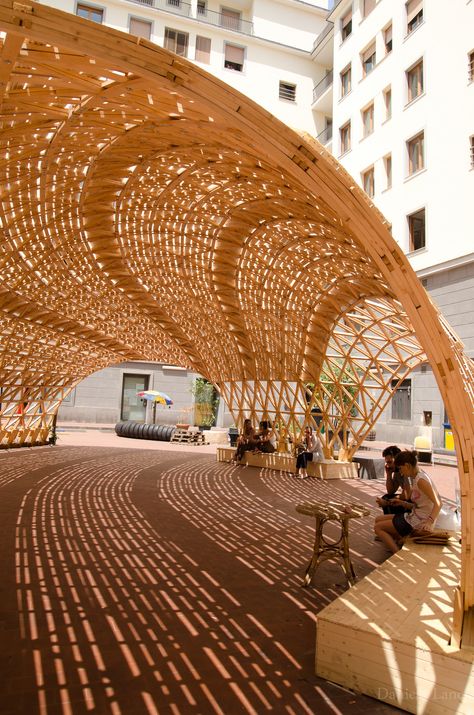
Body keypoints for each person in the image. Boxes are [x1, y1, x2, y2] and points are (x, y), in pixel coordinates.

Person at [374, 450, 442, 553]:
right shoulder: (417, 476)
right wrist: (403, 503)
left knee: (378, 528)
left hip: (419, 522)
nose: (400, 472)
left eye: (400, 468)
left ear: (407, 465)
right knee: (378, 519)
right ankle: (400, 542)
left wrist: (429, 522)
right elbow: (421, 504)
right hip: (415, 516)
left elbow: (439, 503)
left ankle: (397, 554)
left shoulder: (421, 480)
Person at [376, 445, 410, 515]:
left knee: (387, 500)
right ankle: (391, 520)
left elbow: (406, 495)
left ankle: (395, 521)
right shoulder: (397, 472)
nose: (388, 466)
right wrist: (389, 475)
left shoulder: (406, 471)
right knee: (386, 497)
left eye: (390, 462)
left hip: (414, 502)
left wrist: (387, 502)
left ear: (397, 460)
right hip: (409, 499)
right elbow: (391, 491)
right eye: (387, 463)